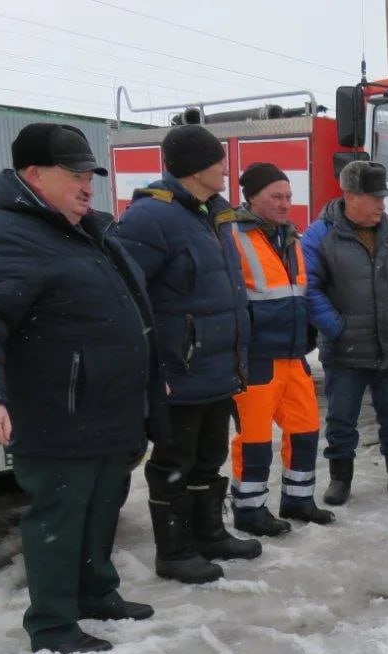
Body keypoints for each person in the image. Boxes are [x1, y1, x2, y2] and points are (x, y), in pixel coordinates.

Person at [0, 124, 162, 654]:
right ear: (32, 175)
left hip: (106, 410)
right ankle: (51, 625)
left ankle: (96, 593)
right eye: (73, 174)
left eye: (89, 173)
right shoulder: (3, 233)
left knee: (101, 509)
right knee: (60, 517)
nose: (86, 184)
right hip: (58, 411)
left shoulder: (80, 229)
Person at [116, 124, 259, 584]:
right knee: (174, 461)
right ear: (196, 167)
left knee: (208, 456)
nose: (226, 168)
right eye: (219, 160)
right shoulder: (150, 219)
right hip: (180, 370)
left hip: (218, 368)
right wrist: (155, 363)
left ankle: (208, 533)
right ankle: (174, 552)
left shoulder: (213, 213)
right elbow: (126, 296)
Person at [302, 160, 388, 506]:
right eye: (375, 198)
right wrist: (336, 328)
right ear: (351, 197)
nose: (382, 205)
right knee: (342, 420)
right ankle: (340, 480)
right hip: (345, 351)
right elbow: (310, 288)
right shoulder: (320, 235)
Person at [228, 162, 335, 535]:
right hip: (257, 359)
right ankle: (248, 509)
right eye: (276, 196)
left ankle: (298, 500)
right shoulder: (233, 236)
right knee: (255, 439)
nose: (285, 203)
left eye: (289, 196)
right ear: (252, 197)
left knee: (305, 431)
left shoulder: (291, 238)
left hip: (293, 357)